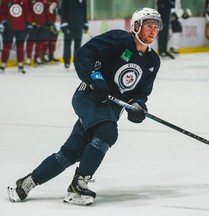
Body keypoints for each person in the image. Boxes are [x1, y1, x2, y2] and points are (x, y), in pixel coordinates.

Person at [7, 7, 163, 206]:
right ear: (136, 26)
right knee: (107, 132)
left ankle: (26, 182)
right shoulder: (119, 39)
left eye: (156, 28)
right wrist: (95, 77)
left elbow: (141, 92)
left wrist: (138, 106)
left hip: (111, 109)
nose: (153, 31)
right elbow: (85, 52)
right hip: (89, 97)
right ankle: (77, 186)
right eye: (149, 26)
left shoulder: (152, 61)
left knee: (70, 153)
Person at [0, 0, 32, 73]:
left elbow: (27, 13)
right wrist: (4, 20)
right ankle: (3, 64)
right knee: (6, 46)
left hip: (21, 27)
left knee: (20, 47)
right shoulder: (5, 1)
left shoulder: (25, 1)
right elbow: (1, 13)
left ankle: (20, 63)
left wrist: (28, 23)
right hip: (9, 28)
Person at [60, 0, 89, 69]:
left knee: (78, 45)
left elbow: (84, 10)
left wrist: (85, 23)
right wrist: (64, 24)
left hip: (79, 25)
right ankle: (66, 61)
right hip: (68, 25)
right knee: (67, 44)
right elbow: (63, 11)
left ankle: (77, 62)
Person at [26, 0, 50, 65]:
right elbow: (28, 11)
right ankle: (28, 57)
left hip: (42, 24)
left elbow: (46, 12)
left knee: (40, 41)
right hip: (32, 24)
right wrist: (29, 21)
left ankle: (38, 57)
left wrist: (47, 22)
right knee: (31, 41)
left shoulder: (45, 1)